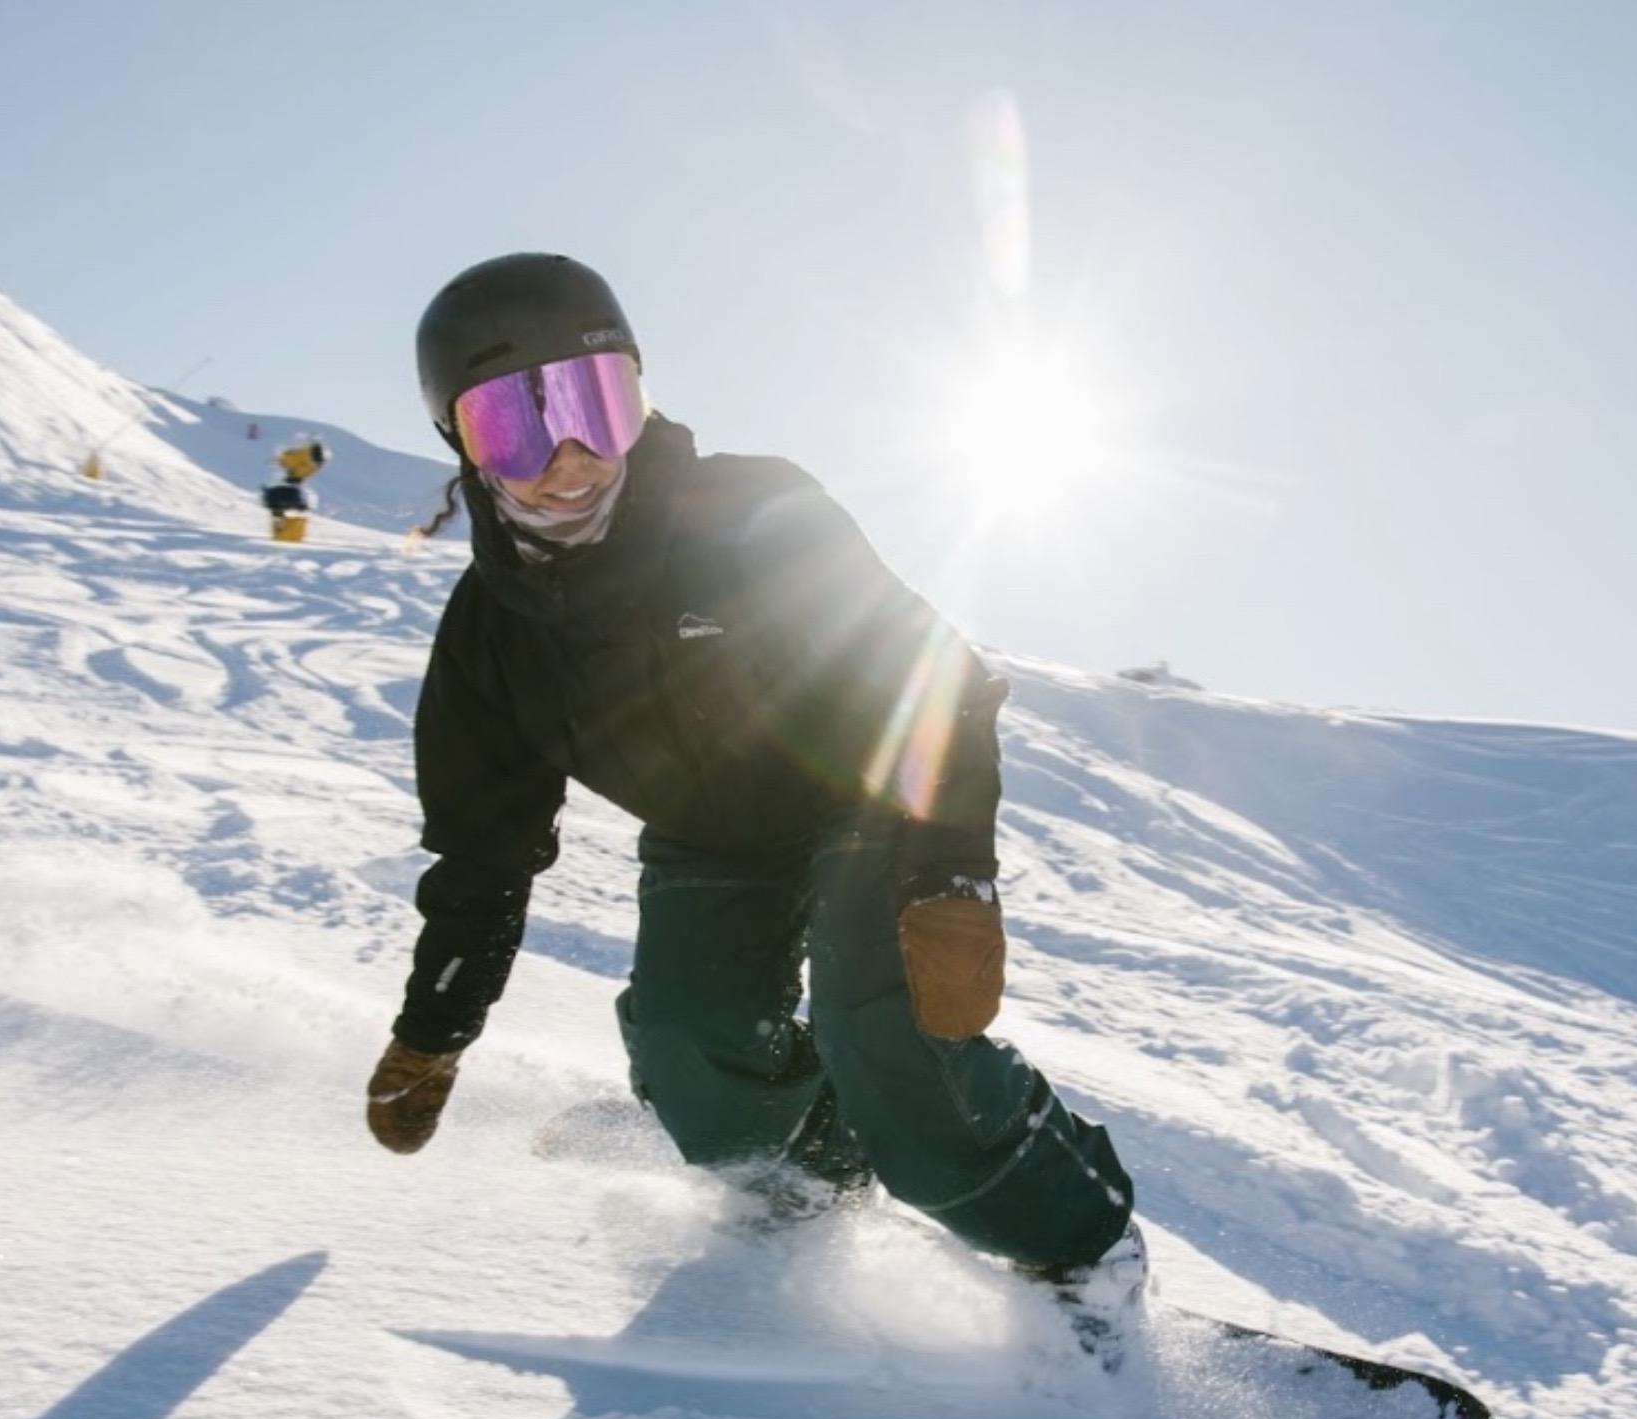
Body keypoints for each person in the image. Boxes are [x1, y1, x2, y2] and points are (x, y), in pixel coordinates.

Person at [364, 253, 1146, 1358]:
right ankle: (816, 1180)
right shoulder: (491, 638)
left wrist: (948, 874)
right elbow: (482, 854)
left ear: (638, 396)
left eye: (593, 404)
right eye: (514, 428)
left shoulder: (751, 511)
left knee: (889, 1045)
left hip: (868, 794)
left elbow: (935, 684)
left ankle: (1080, 1245)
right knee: (689, 1049)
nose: (569, 458)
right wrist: (432, 1035)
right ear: (460, 443)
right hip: (714, 836)